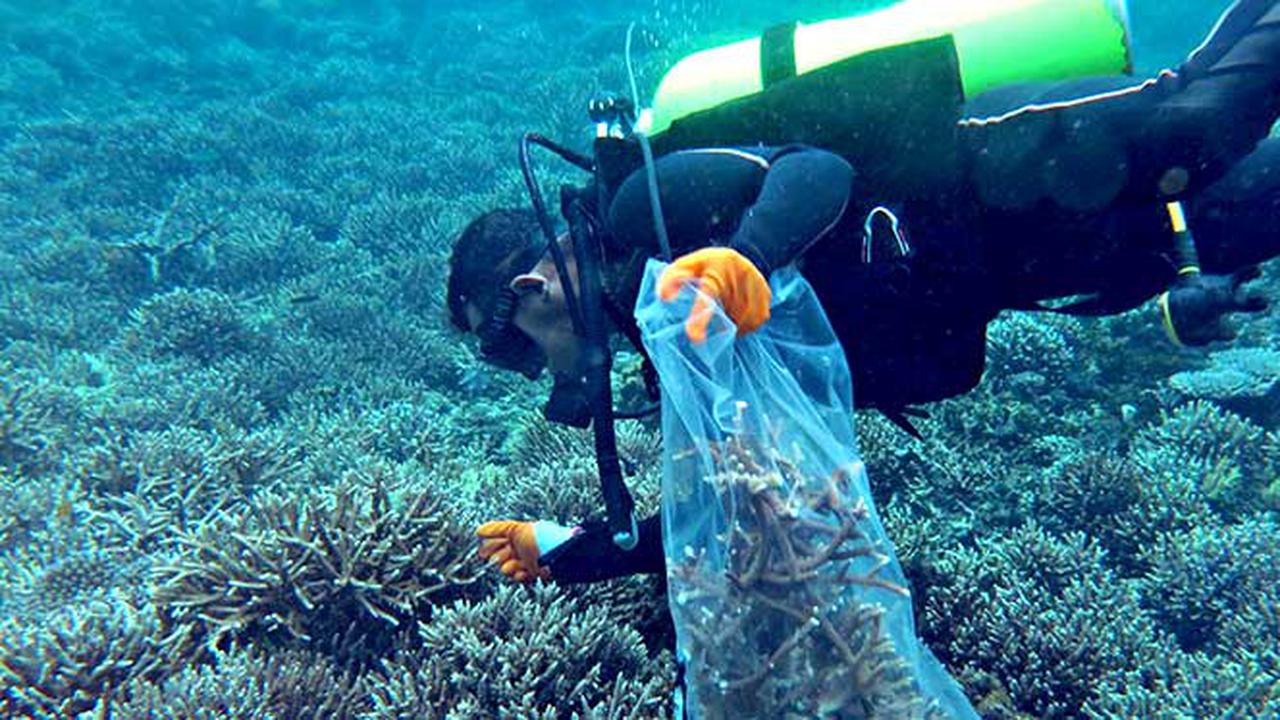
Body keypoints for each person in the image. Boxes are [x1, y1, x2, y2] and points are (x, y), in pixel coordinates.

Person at [450, 0, 1280, 586]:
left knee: (1205, 117)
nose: (521, 368)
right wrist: (572, 551)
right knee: (1259, 212)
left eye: (501, 343)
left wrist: (748, 256)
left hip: (1004, 160)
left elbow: (817, 171)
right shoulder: (671, 339)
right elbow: (742, 511)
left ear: (533, 289)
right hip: (1043, 264)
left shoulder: (646, 210)